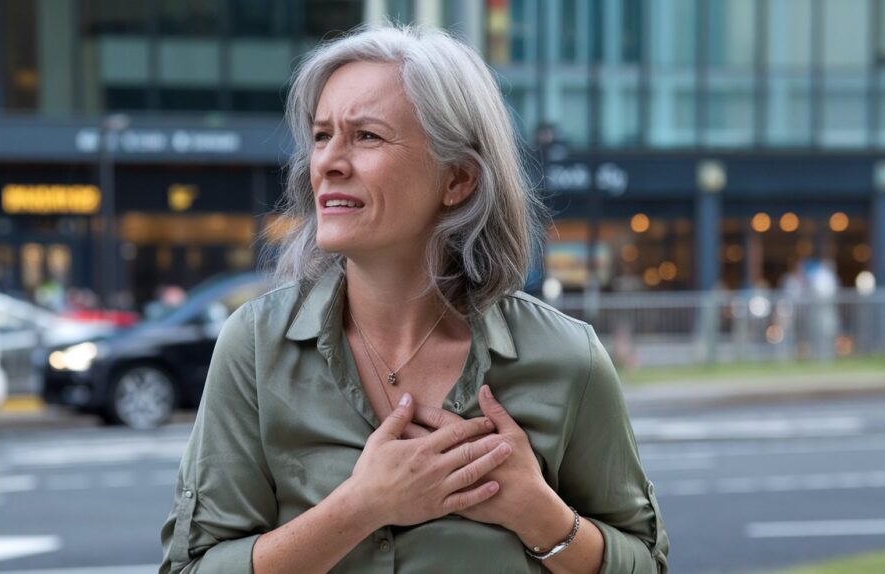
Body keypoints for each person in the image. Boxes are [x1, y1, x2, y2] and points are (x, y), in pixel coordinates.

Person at [160, 25, 668, 574]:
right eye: (322, 135)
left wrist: (538, 513)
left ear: (458, 179)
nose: (328, 161)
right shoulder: (256, 347)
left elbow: (646, 563)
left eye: (367, 137)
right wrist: (361, 506)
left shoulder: (570, 360)